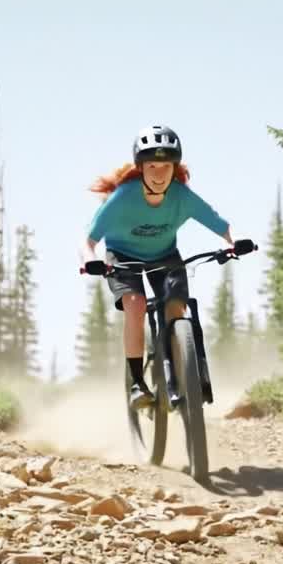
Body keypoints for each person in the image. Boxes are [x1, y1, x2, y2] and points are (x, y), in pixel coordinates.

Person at [80, 125, 237, 409]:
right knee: (135, 304)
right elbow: (88, 240)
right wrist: (90, 260)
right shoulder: (124, 196)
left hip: (165, 256)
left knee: (175, 306)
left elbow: (220, 224)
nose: (159, 172)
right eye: (152, 165)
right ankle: (138, 383)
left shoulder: (181, 196)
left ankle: (181, 372)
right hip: (122, 257)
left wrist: (235, 243)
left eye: (165, 165)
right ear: (140, 167)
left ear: (174, 166)